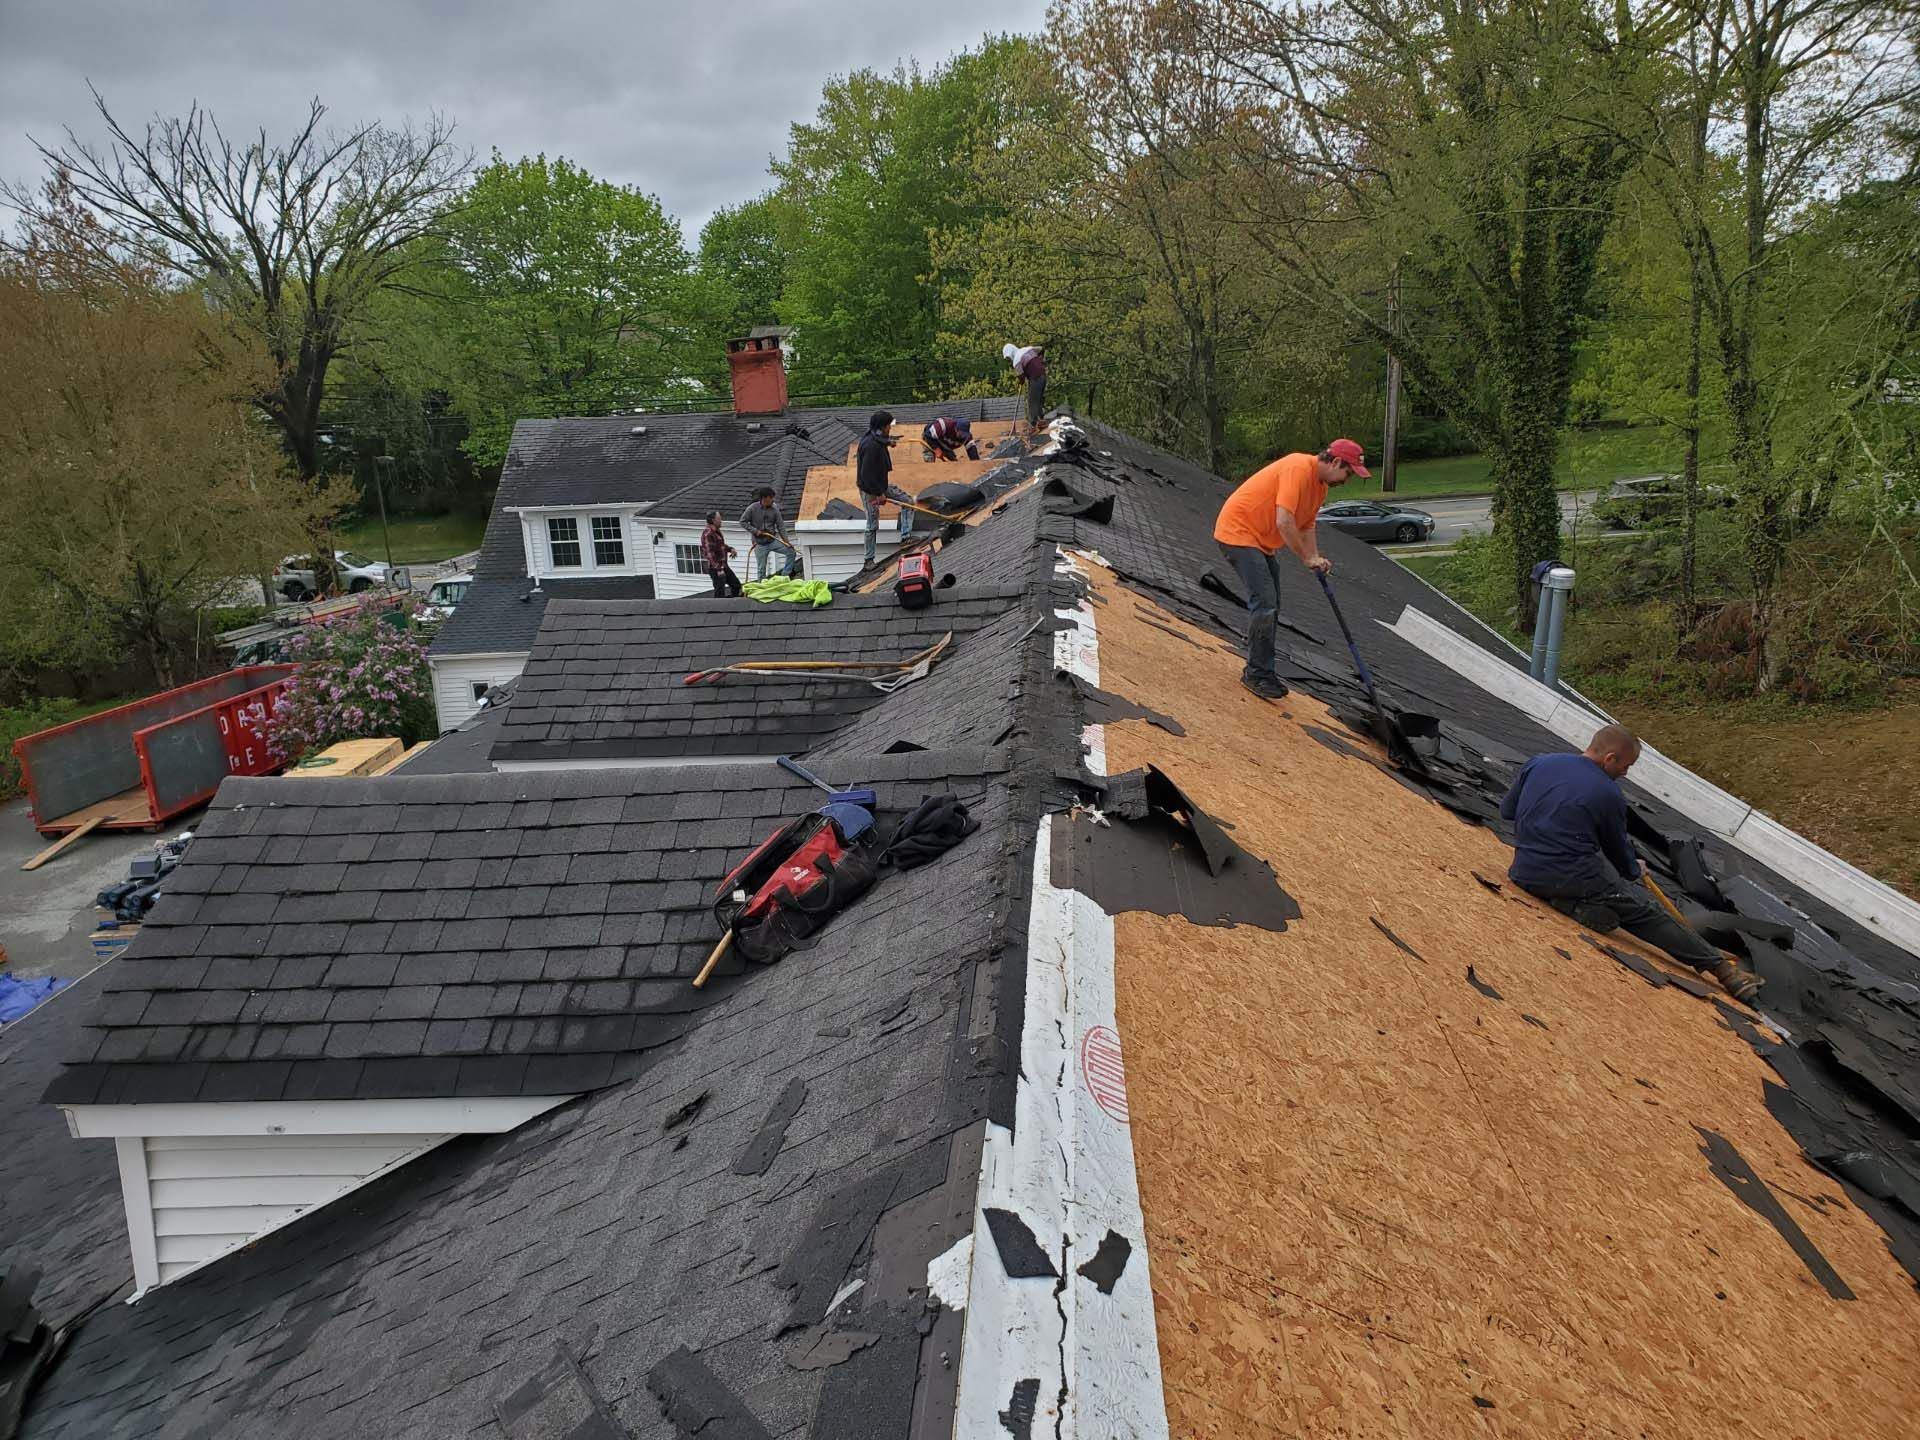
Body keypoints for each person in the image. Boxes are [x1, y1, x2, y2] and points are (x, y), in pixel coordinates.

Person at [1500, 725, 1763, 1001]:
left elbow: (1507, 811)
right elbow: (1619, 856)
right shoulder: (1608, 793)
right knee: (1647, 913)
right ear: (1610, 758)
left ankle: (1572, 904)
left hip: (1524, 871)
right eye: (1626, 766)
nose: (1626, 773)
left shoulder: (1539, 763)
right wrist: (1635, 867)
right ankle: (1724, 971)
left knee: (1597, 888)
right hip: (1574, 876)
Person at [1212, 439, 1367, 700]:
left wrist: (1315, 556)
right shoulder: (1298, 467)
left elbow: (1306, 526)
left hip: (1260, 543)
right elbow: (1284, 521)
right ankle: (1257, 673)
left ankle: (1261, 665)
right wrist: (1306, 559)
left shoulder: (1320, 488)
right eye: (1347, 473)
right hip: (1237, 533)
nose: (1346, 479)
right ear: (1337, 462)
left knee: (1273, 604)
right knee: (1265, 602)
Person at [857, 410, 916, 567]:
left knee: (908, 502)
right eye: (889, 426)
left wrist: (888, 442)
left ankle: (906, 537)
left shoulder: (874, 436)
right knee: (872, 524)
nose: (890, 428)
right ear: (882, 427)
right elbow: (865, 475)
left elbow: (879, 439)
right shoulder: (871, 446)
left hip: (880, 484)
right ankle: (868, 560)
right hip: (870, 489)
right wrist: (878, 494)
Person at [739, 486, 798, 580]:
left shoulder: (775, 509)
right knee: (761, 569)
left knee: (791, 552)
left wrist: (786, 541)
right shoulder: (752, 508)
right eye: (771, 498)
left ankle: (784, 577)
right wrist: (755, 531)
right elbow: (742, 522)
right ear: (764, 498)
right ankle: (761, 587)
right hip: (759, 544)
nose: (773, 500)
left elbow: (780, 526)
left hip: (772, 540)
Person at [1003, 342, 1047, 432]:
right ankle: (1041, 421)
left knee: (1032, 401)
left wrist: (1020, 381)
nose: (1009, 360)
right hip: (1043, 375)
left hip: (1035, 378)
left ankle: (1032, 425)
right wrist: (1040, 359)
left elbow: (1021, 376)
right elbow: (1041, 349)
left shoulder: (1016, 361)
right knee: (1038, 399)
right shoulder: (1028, 349)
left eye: (1008, 358)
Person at [701, 510, 742, 597]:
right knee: (719, 594)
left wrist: (730, 549)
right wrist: (719, 569)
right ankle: (721, 609)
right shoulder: (708, 534)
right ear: (713, 520)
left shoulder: (716, 532)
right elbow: (710, 554)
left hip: (723, 566)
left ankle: (732, 605)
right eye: (719, 519)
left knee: (736, 585)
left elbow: (720, 546)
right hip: (715, 568)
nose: (721, 521)